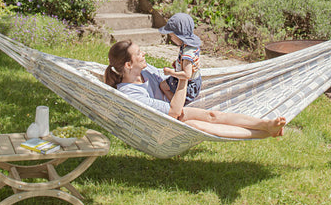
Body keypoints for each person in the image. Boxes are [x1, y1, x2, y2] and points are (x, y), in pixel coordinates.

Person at [104, 40, 285, 139]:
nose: (143, 54)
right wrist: (184, 77)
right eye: (138, 54)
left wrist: (184, 66)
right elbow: (173, 112)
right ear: (128, 65)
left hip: (172, 110)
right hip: (160, 129)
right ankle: (264, 132)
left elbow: (167, 77)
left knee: (213, 116)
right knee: (196, 126)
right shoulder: (130, 93)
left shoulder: (145, 70)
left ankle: (266, 126)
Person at [156, 12, 202, 104]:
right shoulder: (189, 45)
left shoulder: (187, 53)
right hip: (192, 81)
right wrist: (178, 64)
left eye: (172, 36)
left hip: (188, 85)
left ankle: (177, 106)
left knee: (163, 86)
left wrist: (170, 72)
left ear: (179, 36)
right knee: (163, 85)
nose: (171, 39)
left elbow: (186, 74)